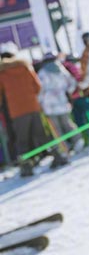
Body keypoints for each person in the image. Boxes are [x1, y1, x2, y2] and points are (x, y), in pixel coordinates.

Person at [0, 46, 68, 175]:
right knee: (41, 134)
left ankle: (26, 167)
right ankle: (57, 156)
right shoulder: (25, 66)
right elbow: (37, 86)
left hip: (17, 111)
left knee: (22, 139)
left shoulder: (2, 73)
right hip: (33, 106)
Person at [37, 53, 82, 152]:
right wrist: (67, 92)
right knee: (67, 123)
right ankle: (77, 141)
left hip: (49, 105)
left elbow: (40, 90)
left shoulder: (42, 73)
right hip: (62, 101)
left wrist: (40, 101)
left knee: (56, 128)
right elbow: (72, 82)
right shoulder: (61, 70)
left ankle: (64, 148)